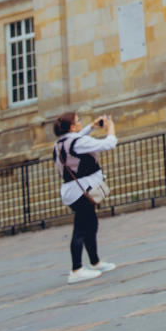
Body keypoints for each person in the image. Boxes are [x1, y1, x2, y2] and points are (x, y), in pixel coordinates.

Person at [53, 112, 118, 283]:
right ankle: (76, 269)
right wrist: (111, 128)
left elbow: (76, 139)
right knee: (81, 228)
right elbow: (109, 143)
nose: (81, 123)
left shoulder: (60, 143)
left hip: (73, 191)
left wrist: (92, 126)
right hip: (81, 192)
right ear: (73, 127)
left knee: (91, 224)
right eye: (78, 121)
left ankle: (95, 262)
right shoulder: (78, 142)